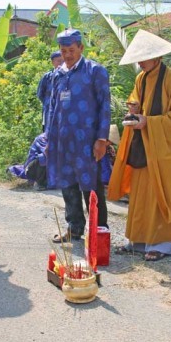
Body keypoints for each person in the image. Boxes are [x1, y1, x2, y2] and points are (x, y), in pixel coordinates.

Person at [108, 30, 171, 262]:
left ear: (156, 57)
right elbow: (137, 100)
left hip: (163, 150)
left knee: (159, 195)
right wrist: (134, 110)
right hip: (144, 146)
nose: (140, 63)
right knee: (141, 194)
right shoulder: (141, 78)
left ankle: (161, 245)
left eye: (143, 58)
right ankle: (139, 241)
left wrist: (148, 122)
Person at [46, 29, 111, 242]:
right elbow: (53, 108)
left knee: (91, 187)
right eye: (63, 51)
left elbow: (105, 106)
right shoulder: (58, 74)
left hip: (88, 142)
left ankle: (99, 231)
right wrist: (49, 139)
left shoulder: (95, 71)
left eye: (71, 50)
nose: (67, 55)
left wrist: (101, 139)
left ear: (81, 48)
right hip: (63, 141)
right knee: (68, 186)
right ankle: (74, 228)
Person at [37, 51, 64, 132]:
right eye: (59, 61)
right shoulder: (47, 77)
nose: (61, 63)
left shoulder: (68, 75)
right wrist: (49, 103)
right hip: (49, 111)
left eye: (63, 61)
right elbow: (40, 94)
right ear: (53, 62)